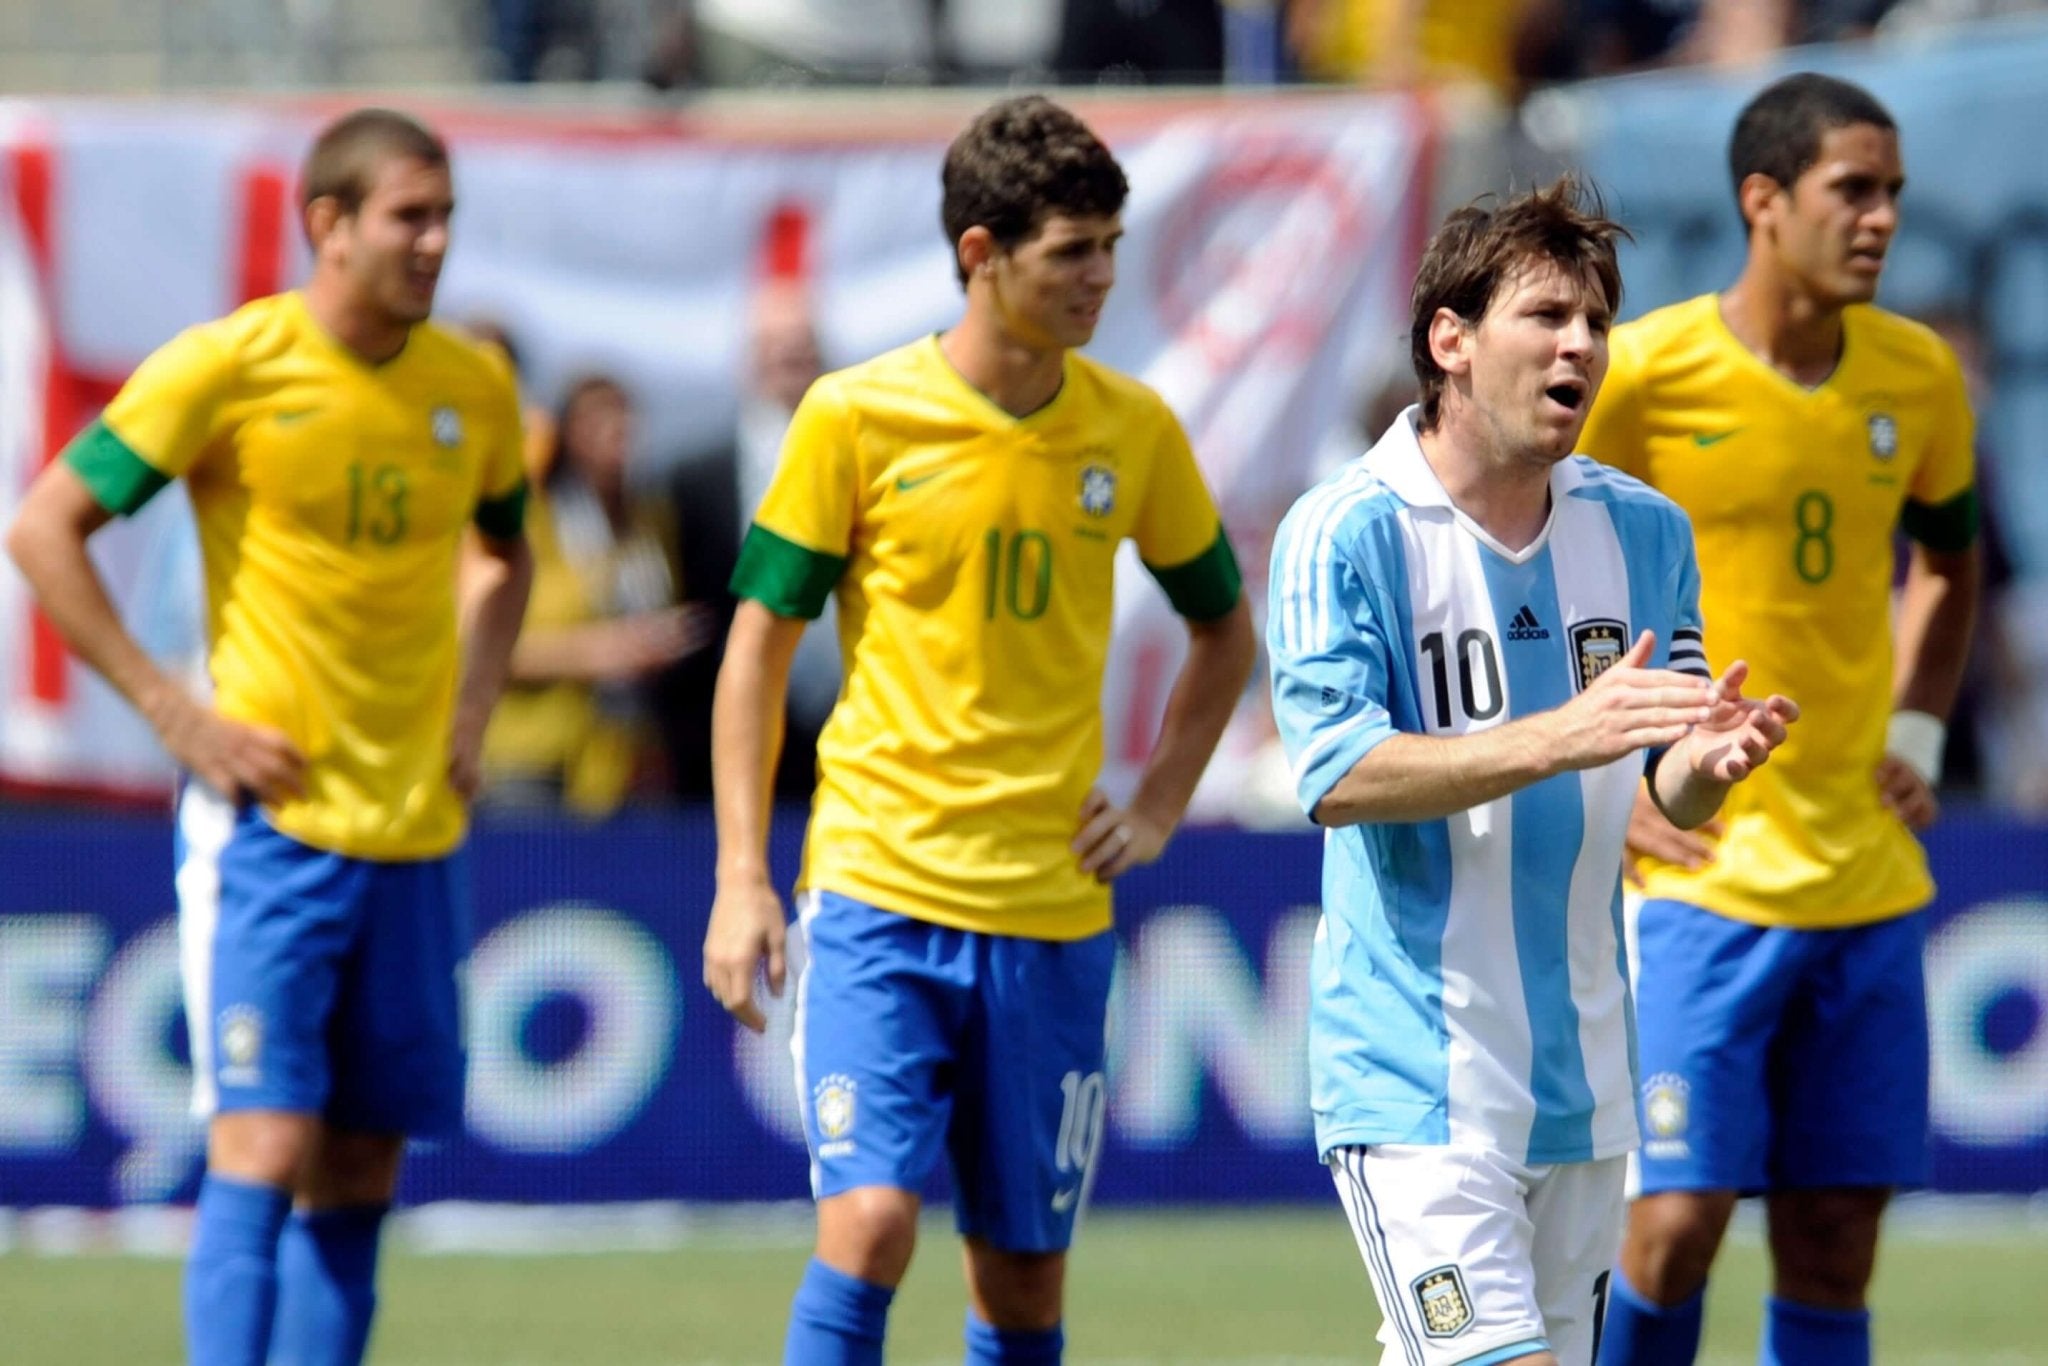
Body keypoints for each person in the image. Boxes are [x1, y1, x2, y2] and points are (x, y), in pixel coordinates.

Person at [700, 93, 1256, 1365]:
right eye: (1072, 251)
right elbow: (755, 652)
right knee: (874, 1221)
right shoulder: (852, 418)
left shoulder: (1133, 427)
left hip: (1050, 915)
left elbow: (1225, 631)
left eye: (1110, 246)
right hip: (877, 892)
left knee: (1018, 1284)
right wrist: (742, 877)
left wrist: (1161, 799)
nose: (1101, 276)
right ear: (979, 255)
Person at [5, 108, 533, 1366]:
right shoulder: (228, 368)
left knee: (360, 1164)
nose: (435, 240)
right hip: (271, 834)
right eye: (410, 215)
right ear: (328, 225)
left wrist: (472, 706)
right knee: (260, 1142)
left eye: (446, 214)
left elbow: (505, 550)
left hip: (414, 833)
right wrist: (176, 714)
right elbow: (44, 529)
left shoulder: (473, 387)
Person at [1267, 179, 1798, 1366]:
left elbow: (1658, 783)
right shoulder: (1345, 530)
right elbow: (1336, 773)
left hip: (1584, 1077)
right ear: (1448, 341)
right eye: (1546, 315)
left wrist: (1703, 768)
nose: (1580, 346)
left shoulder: (1643, 532)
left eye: (1596, 322)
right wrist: (1561, 731)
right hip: (1412, 1078)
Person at [1581, 73, 1980, 1366]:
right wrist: (1611, 783)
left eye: (1893, 195)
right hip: (1703, 874)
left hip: (1862, 869)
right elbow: (1532, 567)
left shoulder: (1918, 375)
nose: (1880, 220)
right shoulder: (1643, 373)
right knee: (1677, 1220)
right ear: (1763, 200)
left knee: (1832, 1235)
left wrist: (1917, 734)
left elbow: (1953, 560)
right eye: (1851, 191)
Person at [483, 374, 708, 814]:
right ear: (567, 432)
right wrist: (603, 651)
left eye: (624, 413)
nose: (615, 427)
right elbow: (491, 647)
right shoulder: (532, 521)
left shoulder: (649, 518)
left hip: (630, 758)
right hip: (539, 758)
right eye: (597, 416)